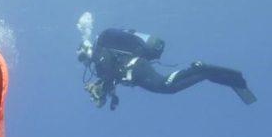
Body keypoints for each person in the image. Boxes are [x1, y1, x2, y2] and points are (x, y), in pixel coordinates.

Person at [77, 27, 256, 109]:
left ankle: (197, 68)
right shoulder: (100, 62)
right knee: (169, 89)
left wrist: (102, 88)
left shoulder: (100, 54)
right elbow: (111, 77)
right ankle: (205, 73)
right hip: (135, 74)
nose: (84, 61)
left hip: (136, 68)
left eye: (82, 57)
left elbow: (109, 73)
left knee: (165, 85)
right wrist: (107, 94)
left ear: (87, 49)